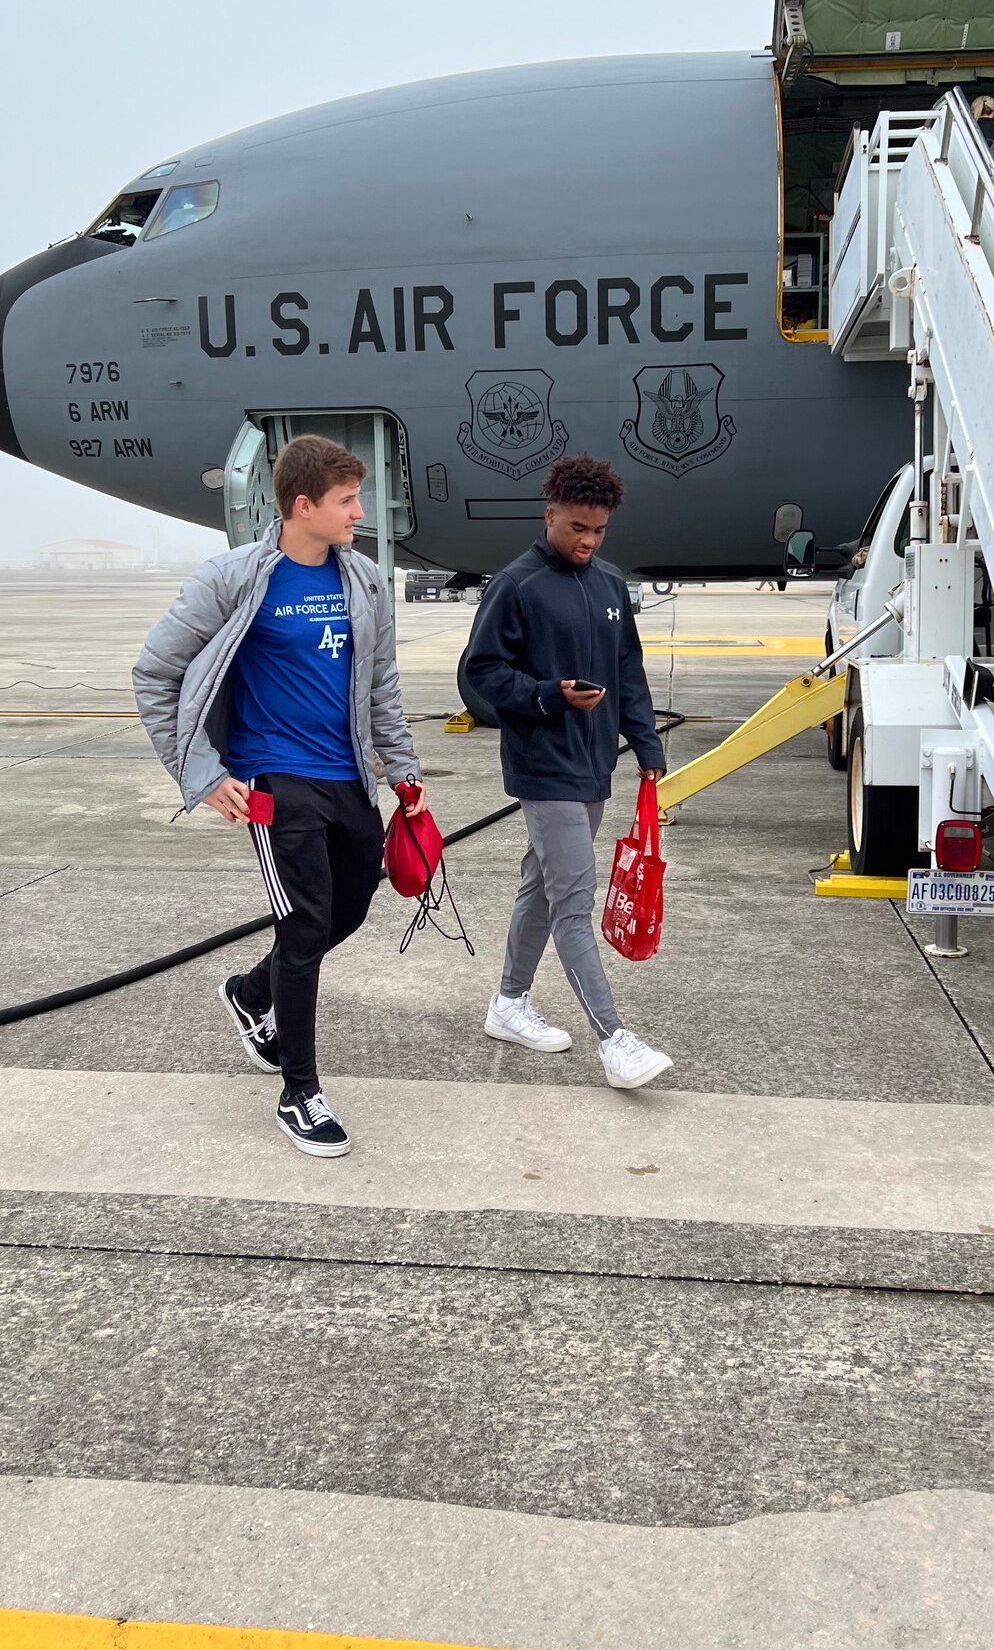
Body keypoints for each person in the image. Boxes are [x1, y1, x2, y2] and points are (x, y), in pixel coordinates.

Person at [133, 434, 425, 1159]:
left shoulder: (363, 580)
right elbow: (154, 674)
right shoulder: (233, 579)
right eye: (347, 500)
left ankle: (251, 992)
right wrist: (199, 775)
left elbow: (382, 684)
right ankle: (300, 1091)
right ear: (304, 506)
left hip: (347, 774)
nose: (362, 510)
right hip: (272, 777)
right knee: (304, 926)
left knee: (351, 907)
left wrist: (405, 773)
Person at [463, 454, 673, 1089]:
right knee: (573, 899)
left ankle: (508, 1003)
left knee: (542, 885)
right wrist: (548, 695)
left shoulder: (609, 586)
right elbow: (479, 676)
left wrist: (648, 746)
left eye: (598, 531)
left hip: (593, 764)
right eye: (577, 528)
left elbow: (629, 673)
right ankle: (616, 1041)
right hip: (543, 765)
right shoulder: (517, 584)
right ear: (549, 515)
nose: (587, 541)